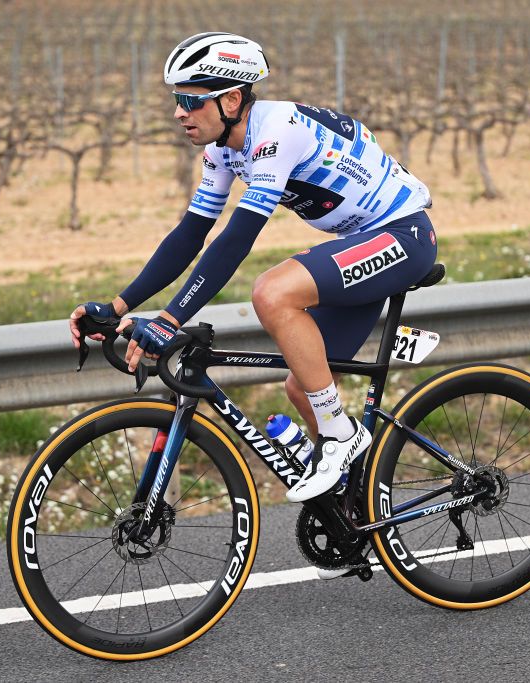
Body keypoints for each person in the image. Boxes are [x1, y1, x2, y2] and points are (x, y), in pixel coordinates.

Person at [70, 32, 436, 505]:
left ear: (232, 99)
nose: (178, 112)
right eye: (176, 100)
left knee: (272, 291)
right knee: (304, 386)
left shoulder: (276, 132)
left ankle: (342, 440)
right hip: (362, 241)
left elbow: (237, 237)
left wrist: (169, 320)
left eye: (189, 100)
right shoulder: (223, 150)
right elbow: (190, 235)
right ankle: (356, 507)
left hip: (404, 235)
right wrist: (116, 305)